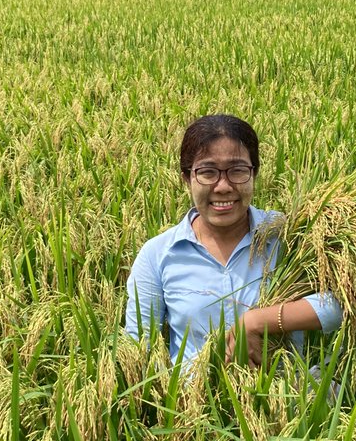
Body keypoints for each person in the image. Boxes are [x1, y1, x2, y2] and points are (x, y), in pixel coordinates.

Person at [124, 114, 342, 370]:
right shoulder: (159, 254)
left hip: (285, 396)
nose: (223, 186)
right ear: (187, 178)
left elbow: (342, 304)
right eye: (207, 172)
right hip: (194, 401)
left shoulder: (288, 235)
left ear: (254, 174)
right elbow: (139, 347)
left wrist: (255, 321)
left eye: (238, 171)